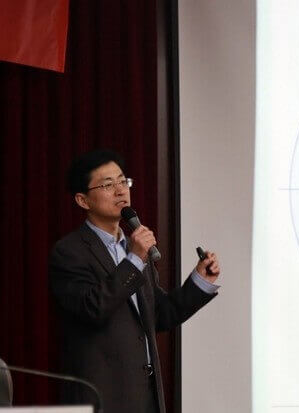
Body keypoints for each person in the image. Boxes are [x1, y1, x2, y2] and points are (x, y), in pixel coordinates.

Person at [49, 150, 220, 413]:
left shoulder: (133, 248)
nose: (120, 190)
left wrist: (200, 281)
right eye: (107, 185)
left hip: (146, 395)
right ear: (83, 200)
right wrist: (135, 260)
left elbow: (159, 314)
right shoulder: (70, 252)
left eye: (123, 181)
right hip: (104, 397)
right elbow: (93, 308)